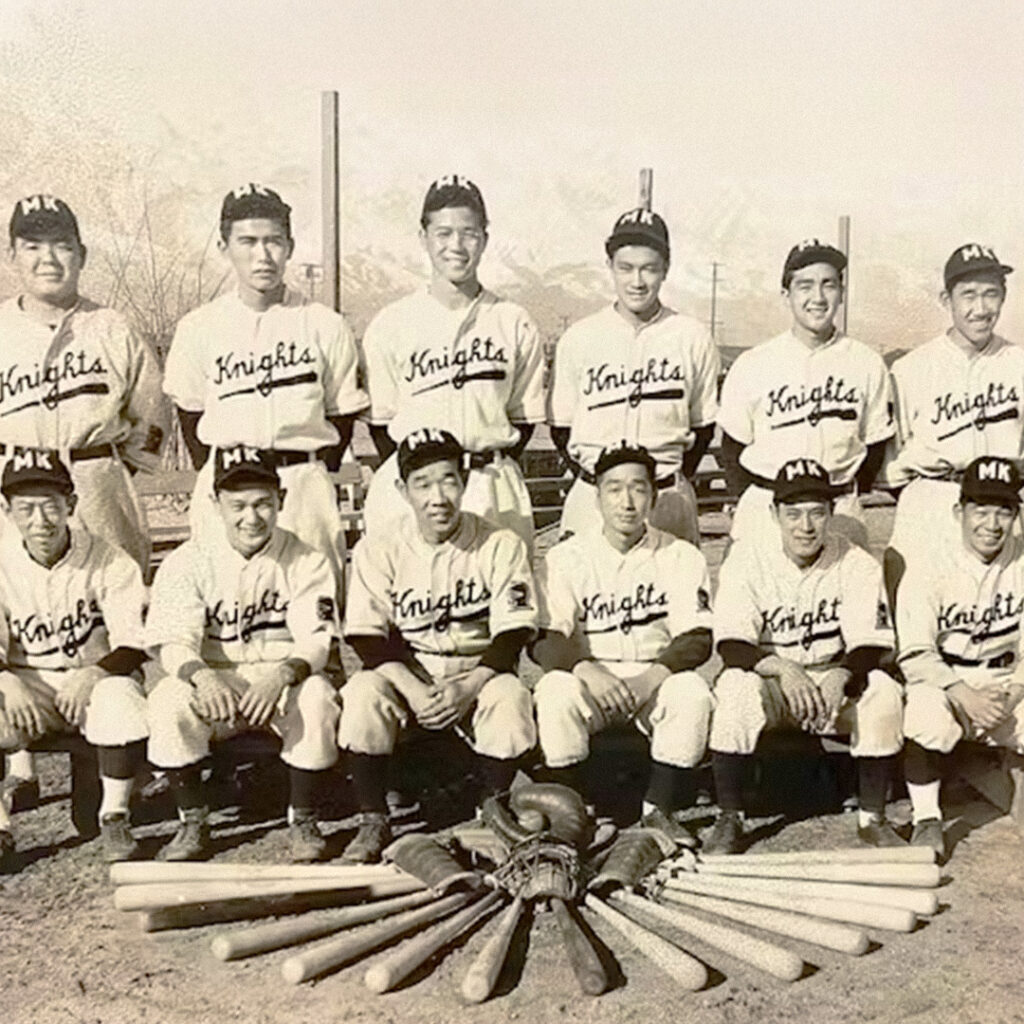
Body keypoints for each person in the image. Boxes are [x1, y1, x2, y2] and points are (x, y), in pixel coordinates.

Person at [0, 195, 168, 810]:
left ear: (82, 255)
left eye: (62, 244)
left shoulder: (111, 326)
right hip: (12, 487)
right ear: (14, 255)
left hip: (94, 478)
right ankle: (21, 760)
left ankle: (106, 768)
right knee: (17, 615)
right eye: (34, 245)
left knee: (109, 610)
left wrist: (122, 464)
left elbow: (151, 411)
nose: (49, 258)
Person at [339, 428, 538, 863]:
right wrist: (411, 688)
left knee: (510, 695)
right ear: (402, 490)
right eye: (423, 483)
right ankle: (373, 818)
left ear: (465, 482)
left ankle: (494, 804)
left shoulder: (499, 543)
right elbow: (365, 634)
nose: (438, 496)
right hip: (408, 671)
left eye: (448, 480)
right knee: (361, 693)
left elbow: (514, 631)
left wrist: (470, 686)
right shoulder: (379, 547)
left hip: (478, 667)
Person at [162, 184, 368, 598]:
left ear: (290, 245)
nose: (263, 254)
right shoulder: (199, 326)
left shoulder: (323, 324)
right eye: (248, 241)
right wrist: (223, 477)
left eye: (274, 241)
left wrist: (313, 469)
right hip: (230, 486)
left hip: (302, 484)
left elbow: (341, 414)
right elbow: (190, 414)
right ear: (224, 246)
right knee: (228, 608)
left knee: (315, 611)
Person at [145, 446, 342, 862]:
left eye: (262, 504)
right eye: (237, 505)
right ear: (216, 504)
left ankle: (303, 817)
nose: (251, 518)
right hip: (217, 678)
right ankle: (192, 819)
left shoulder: (306, 558)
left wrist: (282, 676)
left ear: (281, 501)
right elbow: (173, 641)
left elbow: (318, 640)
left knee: (318, 697)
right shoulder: (188, 560)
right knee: (167, 699)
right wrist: (202, 676)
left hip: (282, 679)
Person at [705, 458, 904, 854]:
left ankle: (872, 817)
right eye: (793, 514)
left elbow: (872, 642)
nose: (805, 526)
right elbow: (731, 644)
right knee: (735, 689)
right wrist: (783, 670)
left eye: (816, 512)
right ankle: (729, 817)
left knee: (883, 690)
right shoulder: (747, 559)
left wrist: (841, 675)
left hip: (834, 682)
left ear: (831, 513)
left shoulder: (856, 561)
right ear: (774, 514)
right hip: (774, 683)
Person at [531, 443, 714, 842]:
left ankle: (658, 809)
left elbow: (698, 637)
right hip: (593, 675)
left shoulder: (681, 555)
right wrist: (587, 670)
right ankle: (576, 811)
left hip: (654, 673)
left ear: (653, 495)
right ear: (596, 498)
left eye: (638, 489)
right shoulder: (566, 556)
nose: (627, 502)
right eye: (614, 489)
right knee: (554, 690)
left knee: (693, 693)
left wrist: (652, 678)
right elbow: (545, 638)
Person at [360, 176, 546, 549]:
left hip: (490, 483)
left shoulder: (513, 320)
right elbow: (382, 425)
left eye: (469, 233)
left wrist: (482, 463)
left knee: (506, 597)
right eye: (443, 233)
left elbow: (523, 421)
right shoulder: (392, 323)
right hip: (417, 489)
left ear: (485, 239)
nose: (456, 246)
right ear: (423, 237)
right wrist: (425, 472)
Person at [0, 448, 149, 868]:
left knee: (121, 694)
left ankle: (114, 815)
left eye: (51, 506)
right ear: (7, 511)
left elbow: (134, 642)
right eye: (26, 509)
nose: (40, 520)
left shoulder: (109, 558)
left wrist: (94, 674)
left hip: (94, 683)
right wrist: (6, 680)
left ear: (72, 505)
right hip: (30, 685)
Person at [548, 209, 719, 545]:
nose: (637, 281)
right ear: (610, 266)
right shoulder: (581, 337)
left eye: (648, 269)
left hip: (666, 496)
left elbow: (702, 427)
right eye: (625, 268)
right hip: (593, 496)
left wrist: (664, 479)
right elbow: (561, 427)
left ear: (665, 269)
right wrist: (599, 479)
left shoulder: (691, 336)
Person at [717, 239, 894, 548]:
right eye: (805, 286)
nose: (818, 297)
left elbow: (875, 445)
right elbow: (732, 449)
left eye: (829, 285)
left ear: (841, 293)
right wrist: (754, 498)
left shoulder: (866, 362)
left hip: (838, 506)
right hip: (767, 506)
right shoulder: (753, 363)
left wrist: (847, 489)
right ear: (786, 295)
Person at [897, 456, 1024, 859]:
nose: (991, 523)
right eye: (980, 509)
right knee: (924, 712)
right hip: (947, 680)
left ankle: (989, 771)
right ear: (959, 511)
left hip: (1007, 682)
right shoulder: (929, 563)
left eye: (1003, 510)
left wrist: (1016, 691)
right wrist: (962, 693)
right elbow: (915, 653)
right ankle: (927, 818)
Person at [883, 244, 1022, 609]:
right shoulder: (911, 369)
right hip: (934, 498)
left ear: (1004, 297)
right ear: (947, 299)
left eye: (991, 294)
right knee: (918, 610)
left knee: (998, 613)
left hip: (1002, 502)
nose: (981, 308)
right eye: (969, 295)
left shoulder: (1018, 363)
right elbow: (892, 462)